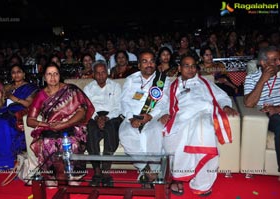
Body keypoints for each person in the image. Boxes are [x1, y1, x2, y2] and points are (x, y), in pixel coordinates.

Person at [160, 55, 238, 196]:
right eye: (186, 65)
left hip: (202, 115)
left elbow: (221, 96)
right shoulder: (173, 86)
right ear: (179, 68)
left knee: (204, 129)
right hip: (181, 118)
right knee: (172, 137)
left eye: (193, 66)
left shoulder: (205, 83)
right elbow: (165, 104)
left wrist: (225, 106)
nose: (190, 69)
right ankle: (178, 178)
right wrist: (164, 114)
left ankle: (202, 183)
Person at [27, 62, 95, 179]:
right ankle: (53, 176)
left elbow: (82, 111)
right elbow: (30, 120)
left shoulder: (70, 90)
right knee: (47, 143)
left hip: (72, 126)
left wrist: (65, 123)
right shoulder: (40, 95)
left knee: (71, 142)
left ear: (60, 75)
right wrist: (46, 124)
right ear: (44, 77)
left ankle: (73, 175)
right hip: (50, 128)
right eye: (49, 74)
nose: (52, 77)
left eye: (55, 74)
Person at [118, 49, 170, 187]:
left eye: (152, 61)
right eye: (144, 61)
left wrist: (150, 115)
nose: (149, 64)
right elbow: (123, 101)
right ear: (139, 65)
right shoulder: (130, 79)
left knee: (155, 131)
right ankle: (146, 170)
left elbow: (164, 102)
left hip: (154, 116)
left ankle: (152, 171)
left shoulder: (163, 80)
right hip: (133, 117)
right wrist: (130, 118)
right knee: (125, 133)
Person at [0, 64, 38, 170]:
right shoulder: (7, 87)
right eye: (13, 72)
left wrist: (12, 97)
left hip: (18, 112)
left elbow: (27, 104)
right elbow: (1, 105)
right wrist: (0, 98)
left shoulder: (30, 87)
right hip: (4, 111)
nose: (16, 74)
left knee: (1, 123)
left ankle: (3, 161)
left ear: (24, 74)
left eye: (19, 71)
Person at [83, 60, 124, 187]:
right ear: (93, 74)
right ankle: (97, 171)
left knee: (111, 128)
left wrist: (106, 118)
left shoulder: (115, 86)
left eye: (103, 72)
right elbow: (87, 107)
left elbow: (119, 107)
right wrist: (96, 118)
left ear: (107, 73)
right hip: (94, 115)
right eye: (98, 73)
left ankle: (106, 171)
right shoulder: (88, 88)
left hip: (112, 116)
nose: (101, 76)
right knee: (91, 129)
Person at [244, 46, 280, 179]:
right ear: (264, 63)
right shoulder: (251, 79)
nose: (279, 63)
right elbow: (249, 103)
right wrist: (262, 80)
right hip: (270, 118)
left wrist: (277, 108)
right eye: (275, 60)